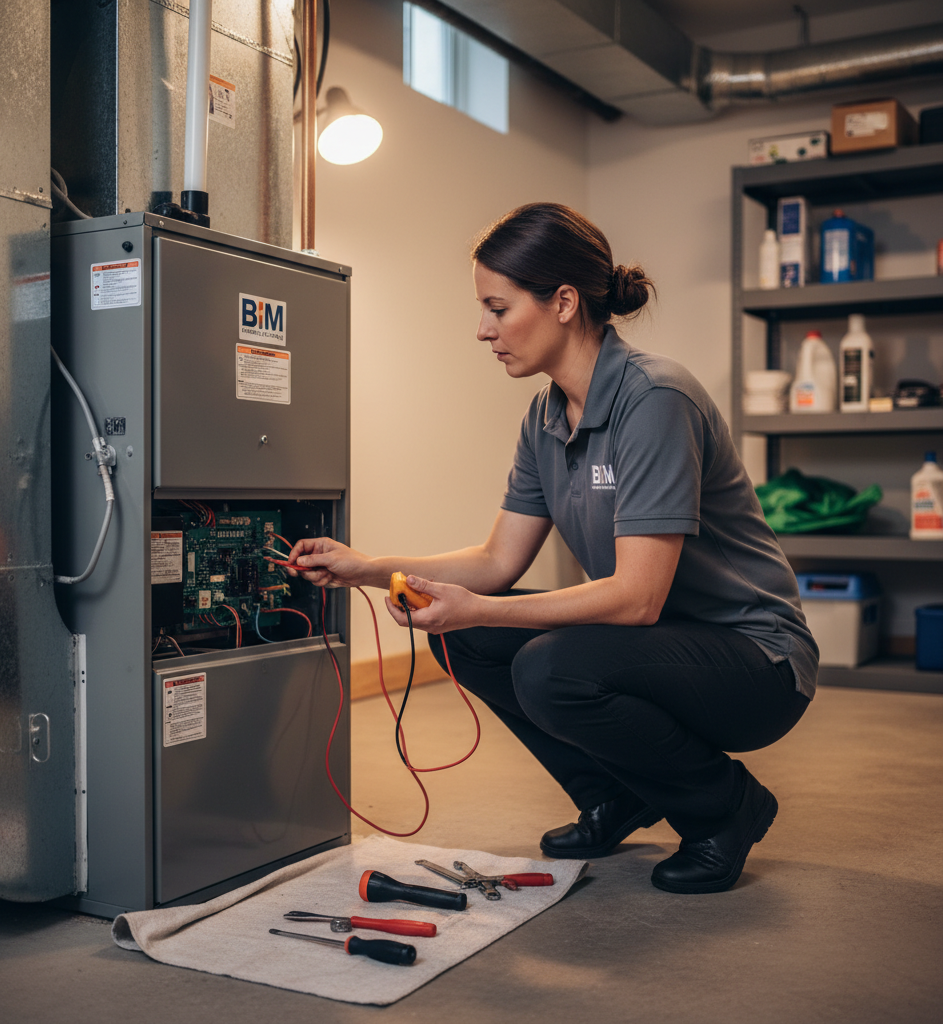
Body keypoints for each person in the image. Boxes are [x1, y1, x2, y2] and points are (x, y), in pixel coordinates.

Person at [287, 202, 818, 895]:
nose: (483, 330)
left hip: (754, 661)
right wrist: (367, 566)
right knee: (466, 641)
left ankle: (724, 806)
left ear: (563, 302)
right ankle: (618, 794)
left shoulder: (655, 399)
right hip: (664, 641)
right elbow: (497, 562)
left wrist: (479, 606)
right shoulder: (544, 416)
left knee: (546, 665)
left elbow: (636, 597)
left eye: (498, 309)